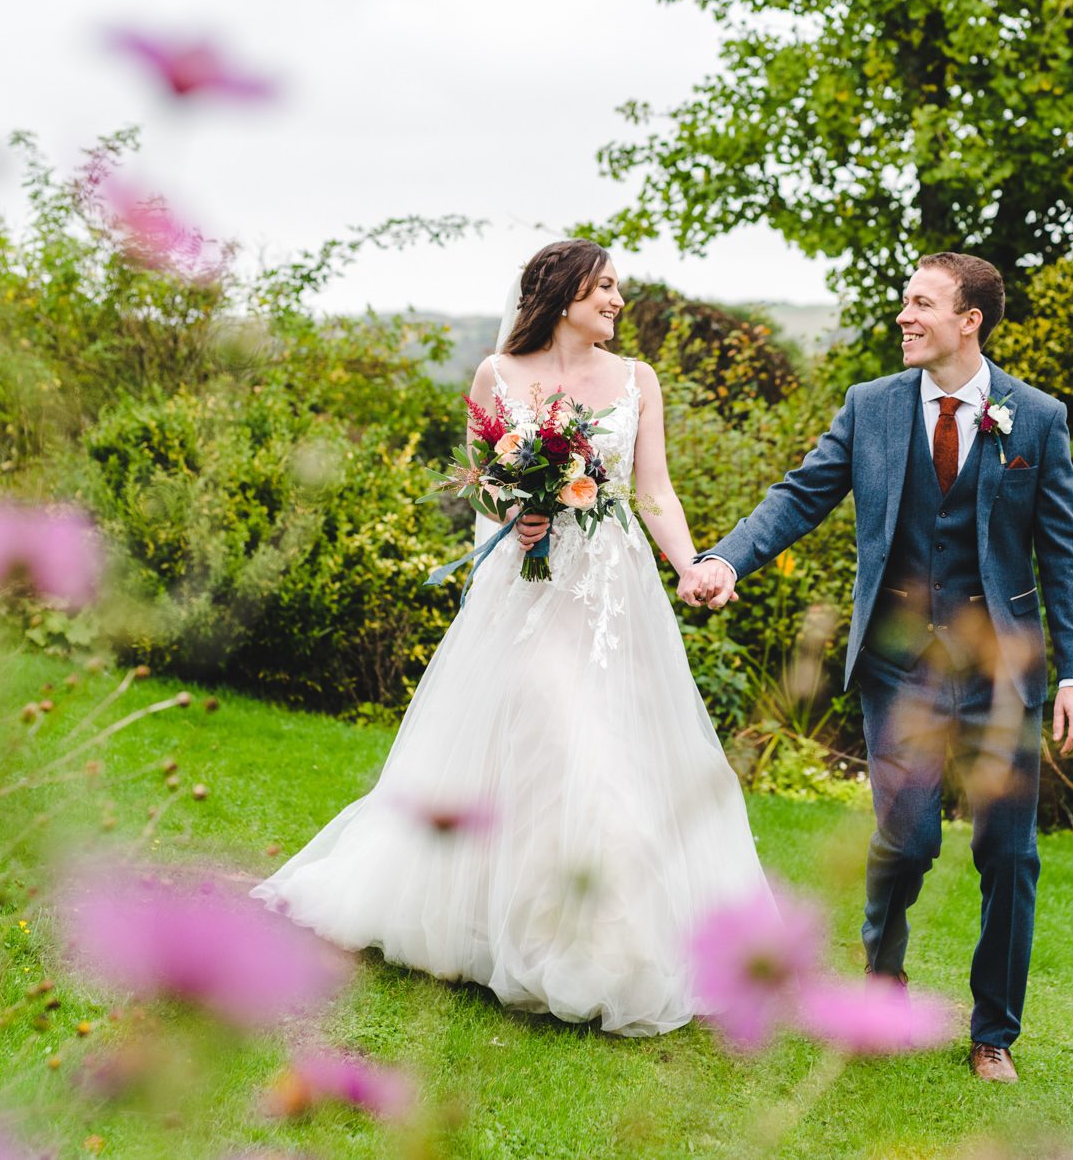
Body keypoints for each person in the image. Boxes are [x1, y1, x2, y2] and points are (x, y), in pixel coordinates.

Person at [253, 239, 768, 1037]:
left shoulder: (639, 379)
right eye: (605, 288)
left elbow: (654, 490)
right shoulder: (497, 375)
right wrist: (515, 515)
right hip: (527, 592)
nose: (618, 300)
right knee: (559, 745)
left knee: (604, 749)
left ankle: (574, 935)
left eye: (617, 290)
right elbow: (483, 489)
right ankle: (566, 941)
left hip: (611, 592)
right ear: (564, 296)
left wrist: (691, 563)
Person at [678, 252, 1073, 1082]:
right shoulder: (870, 407)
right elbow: (801, 495)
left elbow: (1065, 557)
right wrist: (726, 558)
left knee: (1008, 856)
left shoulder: (1036, 418)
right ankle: (883, 985)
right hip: (900, 668)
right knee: (903, 843)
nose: (904, 316)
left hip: (1000, 674)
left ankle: (993, 1033)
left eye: (921, 303)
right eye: (904, 301)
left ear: (969, 319)